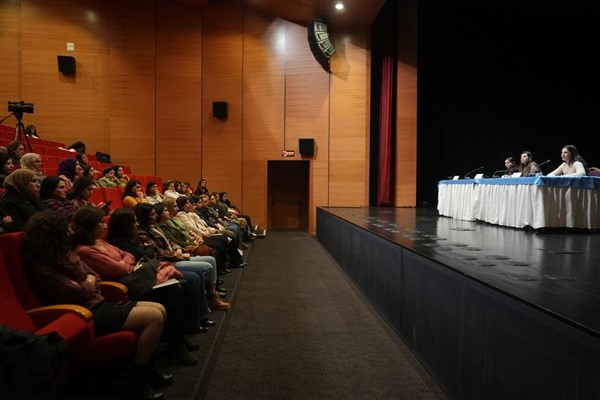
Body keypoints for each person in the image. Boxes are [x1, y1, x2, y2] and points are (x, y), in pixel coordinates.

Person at [21, 210, 171, 400]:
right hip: (82, 314)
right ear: (53, 232)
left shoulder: (65, 254)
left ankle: (149, 370)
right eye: (65, 228)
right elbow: (75, 291)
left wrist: (88, 283)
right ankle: (137, 382)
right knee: (154, 317)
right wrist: (88, 283)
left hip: (96, 303)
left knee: (159, 308)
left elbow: (95, 277)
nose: (70, 231)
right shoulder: (41, 265)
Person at [71, 206, 199, 366]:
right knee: (175, 291)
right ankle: (177, 345)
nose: (105, 226)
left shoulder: (99, 241)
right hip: (121, 288)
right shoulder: (85, 250)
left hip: (133, 278)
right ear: (90, 225)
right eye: (100, 223)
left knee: (178, 287)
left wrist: (124, 262)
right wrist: (124, 263)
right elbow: (121, 267)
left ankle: (178, 341)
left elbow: (127, 255)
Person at [106, 208, 214, 333]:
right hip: (148, 274)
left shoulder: (137, 235)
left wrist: (151, 249)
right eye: (133, 222)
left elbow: (149, 251)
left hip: (158, 265)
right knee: (192, 278)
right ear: (125, 225)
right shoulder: (123, 240)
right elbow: (145, 253)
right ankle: (192, 323)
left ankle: (201, 316)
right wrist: (150, 248)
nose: (136, 224)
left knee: (197, 275)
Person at [135, 203, 230, 310]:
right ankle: (204, 300)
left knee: (211, 260)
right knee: (205, 267)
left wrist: (178, 249)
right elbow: (158, 251)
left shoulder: (153, 227)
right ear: (145, 216)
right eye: (152, 214)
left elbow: (169, 241)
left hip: (176, 253)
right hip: (168, 260)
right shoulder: (142, 233)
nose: (156, 216)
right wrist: (176, 254)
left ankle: (212, 295)